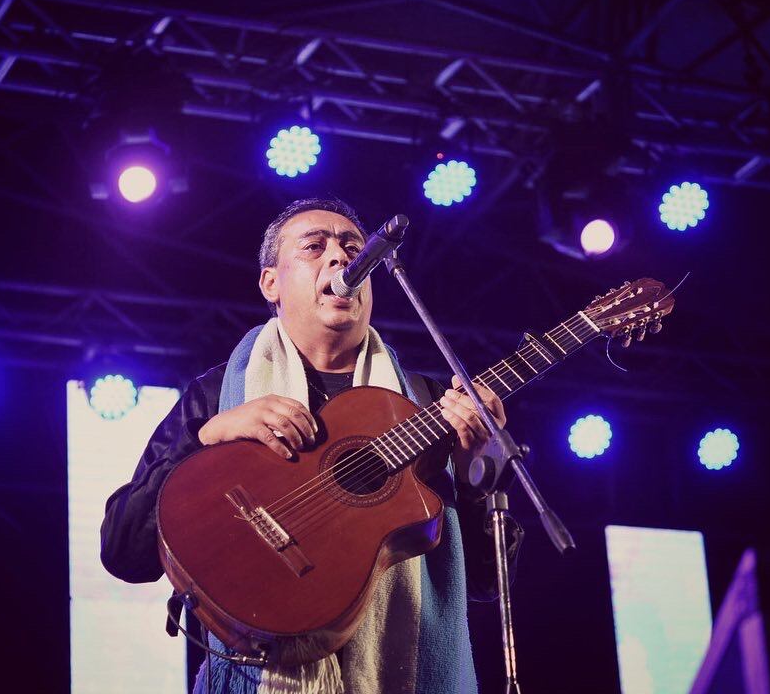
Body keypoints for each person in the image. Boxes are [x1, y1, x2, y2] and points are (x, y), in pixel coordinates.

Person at [100, 198, 521, 694]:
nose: (341, 259)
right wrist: (207, 436)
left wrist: (476, 474)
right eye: (315, 247)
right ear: (270, 283)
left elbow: (486, 585)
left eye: (352, 248)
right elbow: (125, 550)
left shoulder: (431, 403)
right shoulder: (218, 396)